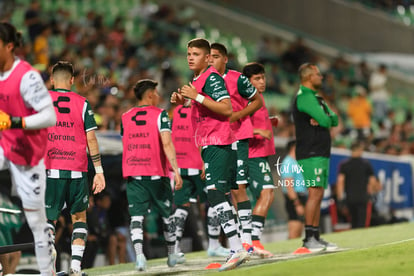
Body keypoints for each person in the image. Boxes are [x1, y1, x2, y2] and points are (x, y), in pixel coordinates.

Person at [170, 38, 249, 271]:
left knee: (215, 194)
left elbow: (227, 108)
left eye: (196, 54)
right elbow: (202, 109)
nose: (190, 57)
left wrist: (196, 97)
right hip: (209, 143)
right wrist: (183, 101)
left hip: (218, 141)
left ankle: (236, 248)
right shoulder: (197, 80)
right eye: (188, 53)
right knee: (220, 195)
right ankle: (238, 247)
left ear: (207, 58)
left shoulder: (212, 77)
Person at [0, 22, 56, 276]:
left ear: (9, 46)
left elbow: (49, 116)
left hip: (27, 154)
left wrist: (15, 121)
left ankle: (48, 269)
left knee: (36, 221)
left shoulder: (27, 76)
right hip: (4, 145)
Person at [44, 61, 106, 276]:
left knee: (48, 219)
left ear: (52, 80)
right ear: (72, 80)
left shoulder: (42, 100)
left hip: (51, 168)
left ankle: (49, 266)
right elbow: (91, 139)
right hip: (77, 169)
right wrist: (99, 171)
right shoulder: (82, 102)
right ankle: (76, 267)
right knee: (79, 218)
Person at [121, 79, 183, 271]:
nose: (158, 96)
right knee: (167, 216)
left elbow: (126, 143)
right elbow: (167, 144)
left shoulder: (125, 117)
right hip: (156, 174)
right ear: (149, 95)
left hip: (134, 174)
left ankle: (140, 257)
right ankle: (172, 255)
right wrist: (176, 170)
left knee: (136, 218)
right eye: (156, 93)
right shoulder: (161, 115)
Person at [209, 43, 263, 255]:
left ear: (224, 58)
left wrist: (238, 115)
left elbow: (257, 101)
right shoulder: (205, 81)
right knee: (222, 191)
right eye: (208, 57)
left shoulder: (236, 78)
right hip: (216, 140)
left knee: (238, 188)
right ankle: (230, 242)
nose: (210, 60)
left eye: (214, 56)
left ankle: (247, 241)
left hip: (238, 137)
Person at [171, 104, 230, 257]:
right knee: (214, 200)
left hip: (180, 165)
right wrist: (205, 161)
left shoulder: (176, 111)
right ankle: (214, 244)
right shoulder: (200, 110)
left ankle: (174, 249)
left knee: (181, 206)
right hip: (197, 164)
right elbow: (201, 133)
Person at [292, 62, 338, 252]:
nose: (321, 77)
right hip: (310, 152)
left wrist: (323, 116)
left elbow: (333, 119)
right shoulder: (304, 97)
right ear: (309, 77)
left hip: (319, 151)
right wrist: (323, 117)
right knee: (314, 193)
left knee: (318, 194)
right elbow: (327, 120)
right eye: (318, 74)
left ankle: (316, 236)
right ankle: (309, 238)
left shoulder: (316, 98)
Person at [242, 62, 275, 256]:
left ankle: (248, 240)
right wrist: (259, 130)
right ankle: (254, 239)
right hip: (252, 155)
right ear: (247, 81)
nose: (262, 82)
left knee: (259, 195)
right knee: (267, 192)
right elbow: (235, 123)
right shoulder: (246, 100)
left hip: (258, 153)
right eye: (257, 78)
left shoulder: (258, 98)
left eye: (263, 77)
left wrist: (269, 122)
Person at [336, 141, 382, 228]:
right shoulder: (365, 164)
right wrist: (373, 192)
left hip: (350, 198)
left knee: (353, 221)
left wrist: (340, 198)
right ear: (359, 150)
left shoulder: (344, 164)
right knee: (362, 222)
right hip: (362, 197)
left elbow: (340, 182)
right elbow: (372, 181)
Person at [280, 140, 307, 239]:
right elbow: (289, 185)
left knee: (300, 227)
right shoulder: (288, 162)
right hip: (294, 197)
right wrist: (297, 203)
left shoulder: (297, 162)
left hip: (301, 195)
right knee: (295, 227)